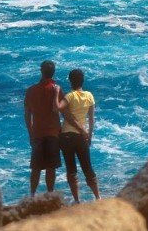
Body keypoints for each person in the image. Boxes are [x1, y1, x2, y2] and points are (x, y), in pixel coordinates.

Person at [54, 68, 100, 203]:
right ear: (82, 80)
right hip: (81, 136)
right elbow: (91, 120)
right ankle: (98, 197)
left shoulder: (70, 96)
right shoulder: (89, 96)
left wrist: (56, 92)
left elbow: (58, 107)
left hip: (66, 136)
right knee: (88, 168)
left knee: (71, 169)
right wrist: (89, 135)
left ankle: (77, 200)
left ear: (70, 81)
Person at [24, 60, 64, 196]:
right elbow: (63, 112)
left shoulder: (30, 91)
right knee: (51, 168)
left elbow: (27, 116)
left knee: (35, 168)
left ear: (41, 71)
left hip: (37, 134)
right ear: (53, 73)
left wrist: (30, 134)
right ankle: (50, 195)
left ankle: (32, 196)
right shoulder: (56, 89)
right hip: (53, 133)